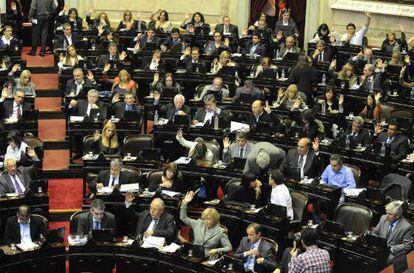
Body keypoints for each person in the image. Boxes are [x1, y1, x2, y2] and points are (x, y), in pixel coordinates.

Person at [180, 191, 232, 256]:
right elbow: (183, 218)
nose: (206, 221)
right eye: (204, 219)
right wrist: (185, 203)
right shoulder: (198, 223)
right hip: (194, 254)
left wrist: (217, 250)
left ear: (214, 219)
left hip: (208, 256)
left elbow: (229, 248)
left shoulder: (220, 231)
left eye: (208, 219)